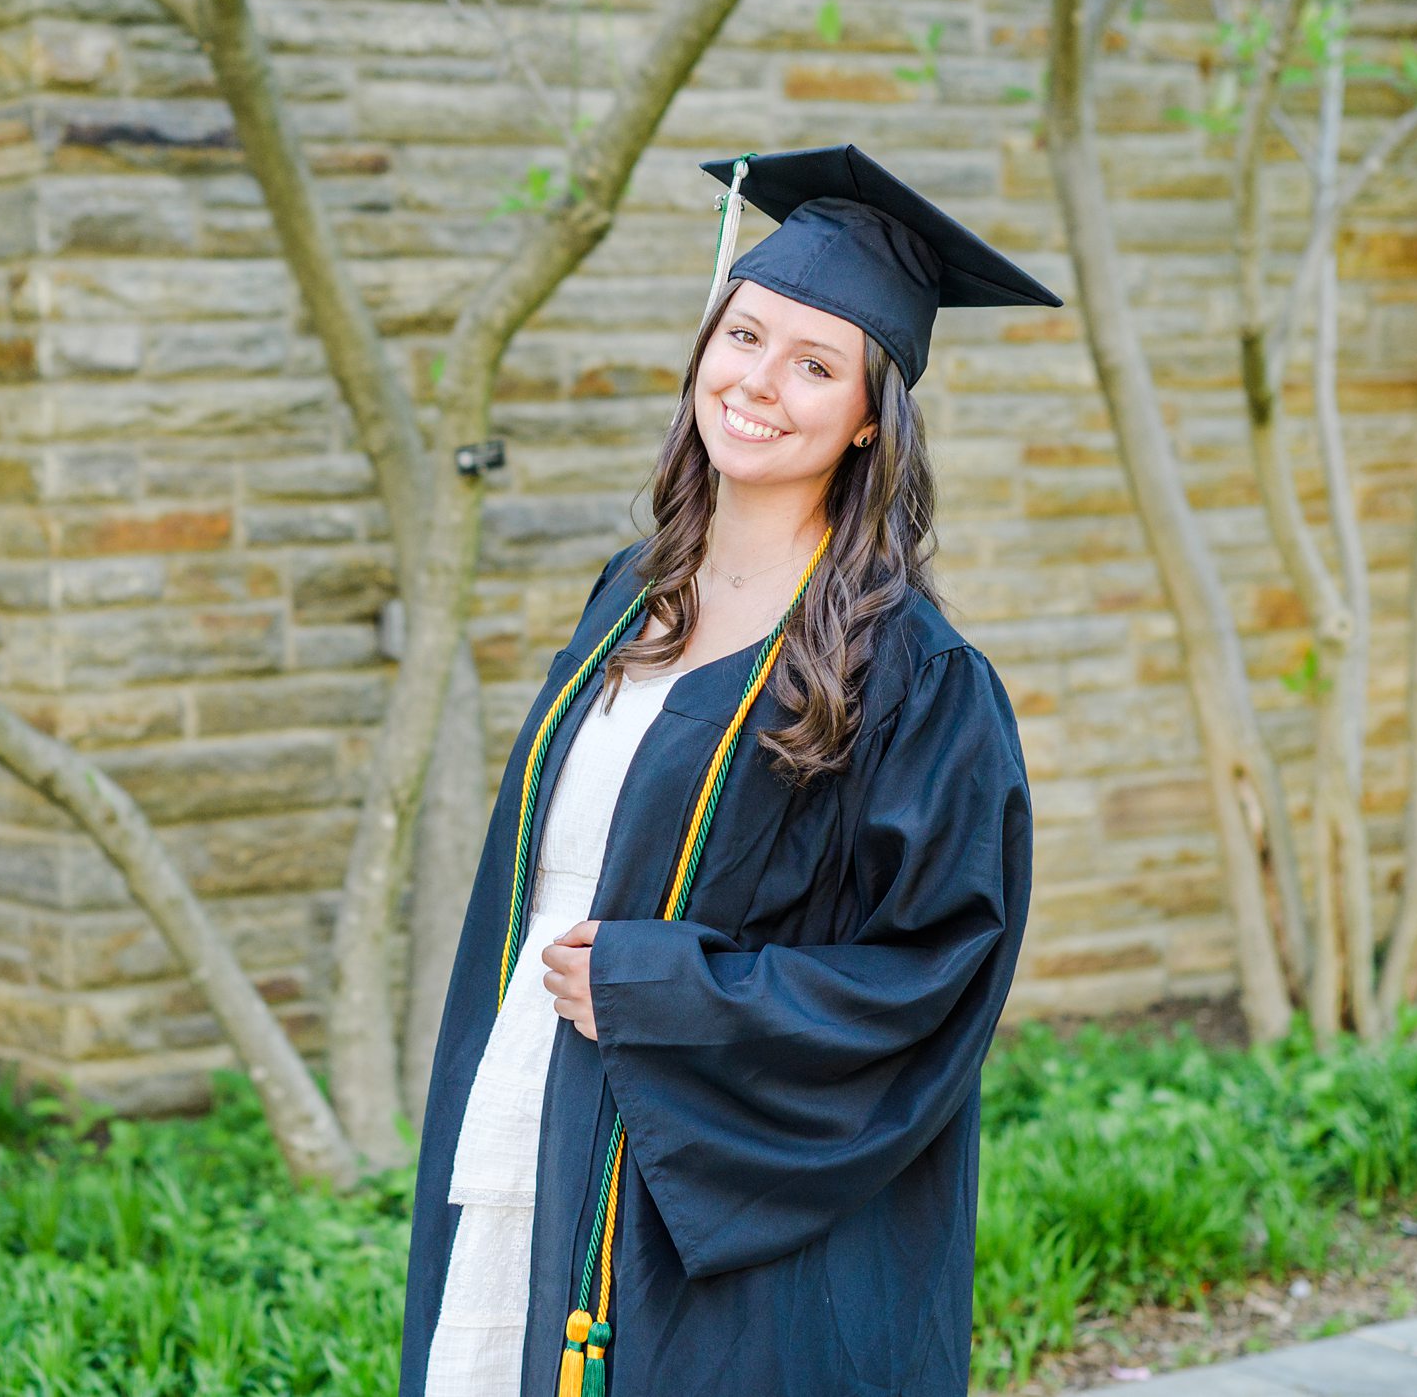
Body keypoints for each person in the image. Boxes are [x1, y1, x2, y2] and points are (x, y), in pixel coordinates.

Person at [400, 145, 1055, 1397]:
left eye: (816, 364)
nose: (760, 382)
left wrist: (670, 987)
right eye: (744, 336)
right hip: (537, 1096)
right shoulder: (629, 593)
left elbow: (939, 970)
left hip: (726, 1190)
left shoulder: (910, 672)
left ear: (870, 416)